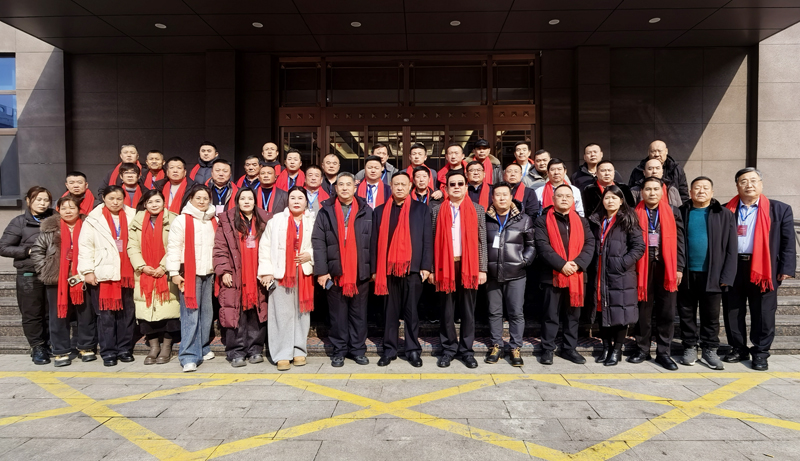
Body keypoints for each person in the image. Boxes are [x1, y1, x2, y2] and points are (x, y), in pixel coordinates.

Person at [721, 167, 796, 371]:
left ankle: (761, 353)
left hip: (764, 268)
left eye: (753, 180)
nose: (749, 185)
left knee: (764, 312)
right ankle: (738, 348)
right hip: (733, 266)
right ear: (737, 185)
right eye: (743, 181)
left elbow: (788, 242)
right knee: (732, 310)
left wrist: (786, 267)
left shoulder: (779, 209)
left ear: (761, 184)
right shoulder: (725, 209)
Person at [371, 172, 433, 368]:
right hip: (388, 270)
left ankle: (412, 349)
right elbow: (373, 242)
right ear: (390, 186)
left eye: (403, 184)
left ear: (410, 187)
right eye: (396, 184)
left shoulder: (421, 209)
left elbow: (427, 240)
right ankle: (389, 349)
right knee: (389, 312)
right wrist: (374, 269)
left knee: (411, 312)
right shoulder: (380, 211)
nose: (399, 187)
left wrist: (426, 266)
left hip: (413, 269)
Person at [312, 172, 373, 367]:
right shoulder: (325, 211)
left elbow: (373, 242)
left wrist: (372, 269)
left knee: (359, 314)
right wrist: (322, 271)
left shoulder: (366, 210)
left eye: (348, 184)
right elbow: (318, 242)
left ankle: (357, 350)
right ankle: (339, 350)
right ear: (335, 188)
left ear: (355, 188)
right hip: (334, 272)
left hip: (359, 272)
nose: (345, 188)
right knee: (337, 316)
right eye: (341, 185)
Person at [677, 176, 737, 370]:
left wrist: (727, 276)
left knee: (711, 315)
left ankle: (710, 349)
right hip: (686, 273)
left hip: (713, 274)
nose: (701, 191)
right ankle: (689, 347)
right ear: (690, 192)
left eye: (705, 188)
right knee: (686, 313)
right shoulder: (681, 212)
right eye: (697, 188)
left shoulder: (724, 214)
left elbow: (732, 247)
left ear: (712, 192)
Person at [431, 169, 488, 368]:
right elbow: (432, 240)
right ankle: (448, 349)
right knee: (447, 310)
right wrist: (432, 269)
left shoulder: (478, 209)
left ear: (466, 187)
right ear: (446, 188)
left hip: (468, 265)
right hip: (445, 265)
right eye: (452, 184)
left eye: (460, 184)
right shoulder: (437, 210)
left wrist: (482, 269)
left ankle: (466, 351)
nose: (456, 187)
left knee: (468, 311)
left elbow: (482, 241)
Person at [31, 194, 97, 367]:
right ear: (58, 210)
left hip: (82, 277)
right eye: (64, 208)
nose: (68, 211)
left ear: (79, 210)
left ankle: (86, 346)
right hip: (57, 279)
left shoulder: (89, 226)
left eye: (72, 208)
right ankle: (61, 350)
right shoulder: (50, 229)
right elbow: (37, 251)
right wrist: (46, 269)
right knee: (58, 315)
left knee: (85, 313)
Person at [629, 177, 685, 370]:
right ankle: (642, 349)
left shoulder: (674, 211)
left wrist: (679, 267)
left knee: (667, 311)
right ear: (641, 192)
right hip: (642, 266)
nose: (652, 193)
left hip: (667, 266)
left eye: (656, 189)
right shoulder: (633, 213)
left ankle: (664, 352)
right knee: (643, 310)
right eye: (648, 189)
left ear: (663, 192)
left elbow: (680, 242)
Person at [534, 184, 595, 365]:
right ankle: (547, 349)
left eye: (568, 196)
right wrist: (561, 265)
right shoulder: (543, 220)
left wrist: (577, 264)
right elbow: (542, 246)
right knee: (550, 315)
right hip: (552, 275)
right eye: (560, 196)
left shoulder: (582, 221)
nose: (564, 199)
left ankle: (569, 348)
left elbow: (590, 244)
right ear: (553, 199)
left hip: (577, 275)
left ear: (573, 200)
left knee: (573, 315)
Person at [77, 185, 136, 367]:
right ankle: (108, 351)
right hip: (103, 272)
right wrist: (87, 271)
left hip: (127, 273)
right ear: (103, 198)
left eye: (119, 198)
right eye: (111, 198)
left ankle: (124, 349)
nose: (115, 202)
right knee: (106, 316)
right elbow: (85, 247)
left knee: (127, 314)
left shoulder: (133, 215)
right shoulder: (93, 219)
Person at [259, 186, 316, 370]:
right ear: (287, 200)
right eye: (293, 198)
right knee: (281, 314)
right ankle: (282, 353)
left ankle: (299, 350)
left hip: (304, 272)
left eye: (300, 198)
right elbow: (265, 246)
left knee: (302, 313)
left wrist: (310, 255)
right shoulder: (276, 220)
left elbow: (320, 243)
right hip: (281, 272)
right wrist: (266, 271)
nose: (296, 201)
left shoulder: (313, 220)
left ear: (306, 201)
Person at [588, 185, 646, 366]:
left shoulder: (628, 219)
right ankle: (606, 347)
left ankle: (617, 350)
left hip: (620, 274)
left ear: (621, 201)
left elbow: (639, 247)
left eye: (614, 198)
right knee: (602, 310)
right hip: (600, 273)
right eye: (607, 198)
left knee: (620, 311)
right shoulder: (596, 220)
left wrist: (622, 263)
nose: (610, 201)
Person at [215, 188, 269, 367]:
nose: (246, 201)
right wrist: (224, 271)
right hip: (235, 272)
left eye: (250, 198)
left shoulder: (264, 220)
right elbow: (220, 248)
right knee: (235, 312)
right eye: (243, 198)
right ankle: (236, 352)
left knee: (257, 312)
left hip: (257, 272)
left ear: (255, 201)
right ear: (237, 201)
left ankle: (255, 349)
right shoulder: (227, 221)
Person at [166, 185, 218, 372]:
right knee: (190, 314)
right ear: (190, 199)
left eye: (205, 198)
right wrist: (174, 273)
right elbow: (174, 247)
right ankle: (188, 355)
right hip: (189, 273)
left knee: (206, 313)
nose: (202, 201)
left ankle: (202, 347)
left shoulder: (214, 220)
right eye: (198, 198)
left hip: (209, 273)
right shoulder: (182, 220)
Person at [0, 187, 54, 365]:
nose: (42, 203)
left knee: (50, 312)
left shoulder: (55, 218)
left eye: (46, 200)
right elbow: (3, 247)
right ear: (29, 201)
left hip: (51, 272)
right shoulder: (19, 222)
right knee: (32, 312)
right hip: (29, 273)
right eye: (38, 199)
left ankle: (50, 343)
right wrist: (27, 251)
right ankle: (37, 346)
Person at [485, 182, 536, 366]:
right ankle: (496, 345)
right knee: (494, 312)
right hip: (492, 274)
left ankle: (515, 347)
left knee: (516, 312)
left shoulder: (523, 219)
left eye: (505, 194)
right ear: (492, 198)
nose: (501, 198)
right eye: (497, 195)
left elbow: (531, 245)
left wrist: (523, 262)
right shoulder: (485, 219)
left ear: (511, 197)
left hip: (516, 274)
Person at [127, 189, 181, 365]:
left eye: (158, 201)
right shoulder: (136, 221)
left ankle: (166, 347)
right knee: (146, 311)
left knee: (168, 311)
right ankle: (154, 347)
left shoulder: (174, 220)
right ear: (145, 204)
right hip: (144, 273)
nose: (154, 205)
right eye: (150, 202)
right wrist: (142, 266)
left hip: (166, 272)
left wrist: (163, 266)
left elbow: (176, 245)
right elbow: (132, 246)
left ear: (164, 202)